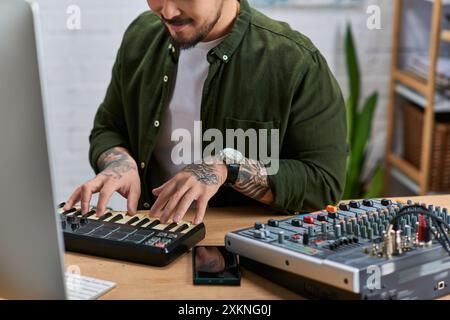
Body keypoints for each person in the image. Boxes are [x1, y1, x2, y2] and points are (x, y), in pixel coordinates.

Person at [64, 0, 348, 225]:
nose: (168, 10)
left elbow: (323, 183)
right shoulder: (140, 36)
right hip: (152, 234)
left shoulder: (295, 61)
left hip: (243, 253)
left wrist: (228, 167)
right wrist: (120, 163)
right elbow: (109, 128)